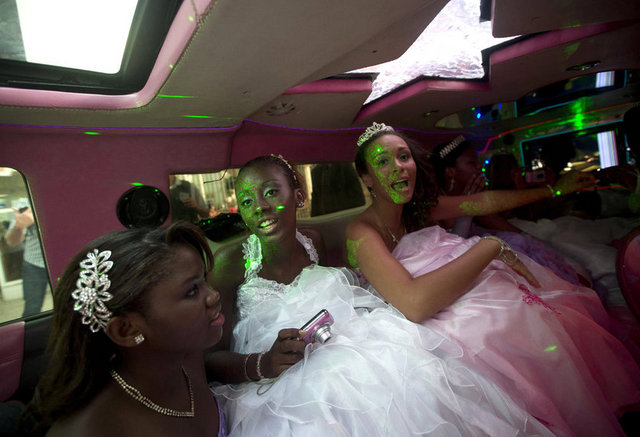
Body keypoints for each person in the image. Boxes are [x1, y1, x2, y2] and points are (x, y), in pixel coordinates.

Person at [205, 155, 552, 436]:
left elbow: (330, 299)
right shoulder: (229, 263)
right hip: (273, 380)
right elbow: (207, 359)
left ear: (297, 196)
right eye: (247, 201)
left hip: (342, 347)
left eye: (270, 192)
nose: (259, 207)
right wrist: (264, 363)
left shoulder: (312, 242)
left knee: (414, 382)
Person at [347, 122, 640, 437]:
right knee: (495, 331)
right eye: (383, 161)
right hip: (415, 320)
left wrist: (553, 190)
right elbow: (414, 304)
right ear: (366, 178)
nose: (399, 167)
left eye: (404, 156)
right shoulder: (360, 233)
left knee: (536, 316)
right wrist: (489, 247)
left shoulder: (417, 210)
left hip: (453, 296)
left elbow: (483, 202)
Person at [17, 222, 227, 437]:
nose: (214, 295)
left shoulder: (186, 359)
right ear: (125, 330)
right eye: (192, 290)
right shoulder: (89, 430)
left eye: (204, 279)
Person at [432, 138, 589, 287]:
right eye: (472, 163)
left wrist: (544, 247)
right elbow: (451, 253)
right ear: (450, 171)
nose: (479, 168)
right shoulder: (436, 204)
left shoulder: (477, 199)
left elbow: (504, 225)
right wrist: (553, 190)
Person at [5, 203, 48, 317]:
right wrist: (19, 226)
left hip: (60, 262)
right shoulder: (23, 205)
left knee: (70, 302)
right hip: (33, 265)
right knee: (32, 308)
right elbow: (11, 242)